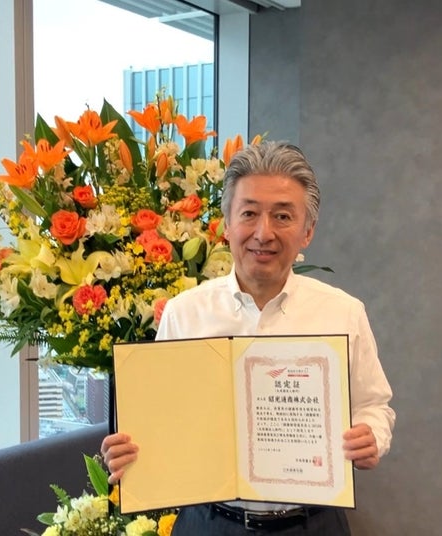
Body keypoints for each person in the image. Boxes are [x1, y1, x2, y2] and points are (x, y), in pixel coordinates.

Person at [101, 141, 396, 535]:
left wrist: (370, 435)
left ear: (307, 231)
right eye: (249, 213)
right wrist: (130, 451)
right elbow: (161, 421)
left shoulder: (343, 312)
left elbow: (374, 405)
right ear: (227, 224)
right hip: (209, 524)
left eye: (283, 216)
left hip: (312, 524)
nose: (264, 232)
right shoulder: (185, 314)